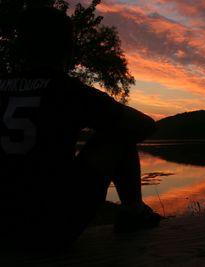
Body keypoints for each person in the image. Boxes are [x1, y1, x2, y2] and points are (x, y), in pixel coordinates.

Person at [0, 7, 162, 249]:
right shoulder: (68, 91)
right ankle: (133, 212)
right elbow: (144, 126)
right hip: (51, 228)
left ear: (20, 47)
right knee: (119, 131)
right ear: (69, 48)